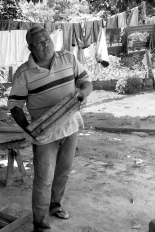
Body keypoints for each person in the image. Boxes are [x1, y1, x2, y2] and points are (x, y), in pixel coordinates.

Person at [7, 26, 93, 232]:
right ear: (30, 47)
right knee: (44, 179)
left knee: (63, 172)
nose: (45, 44)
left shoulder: (68, 58)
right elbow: (15, 106)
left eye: (47, 39)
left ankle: (55, 206)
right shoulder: (23, 73)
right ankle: (40, 224)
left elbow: (86, 82)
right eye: (39, 42)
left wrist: (81, 95)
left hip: (71, 127)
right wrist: (30, 130)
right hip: (45, 135)